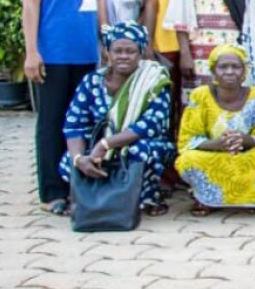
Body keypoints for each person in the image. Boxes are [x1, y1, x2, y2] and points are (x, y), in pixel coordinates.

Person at [19, 0, 107, 216]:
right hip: (52, 52)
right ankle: (51, 191)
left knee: (82, 122)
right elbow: (31, 2)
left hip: (86, 51)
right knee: (53, 122)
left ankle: (77, 185)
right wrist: (32, 51)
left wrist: (106, 39)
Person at [60, 22, 174, 216]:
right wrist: (80, 158)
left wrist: (106, 144)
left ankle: (147, 196)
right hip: (98, 144)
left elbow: (149, 125)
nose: (123, 56)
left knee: (140, 153)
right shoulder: (93, 81)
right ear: (107, 52)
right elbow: (74, 124)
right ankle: (91, 198)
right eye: (117, 51)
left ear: (141, 52)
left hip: (138, 143)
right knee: (68, 161)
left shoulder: (152, 81)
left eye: (130, 51)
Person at [175, 43, 255, 216]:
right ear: (214, 71)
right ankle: (204, 199)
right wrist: (218, 144)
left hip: (244, 154)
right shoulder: (200, 95)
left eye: (236, 67)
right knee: (188, 159)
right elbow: (187, 141)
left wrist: (245, 140)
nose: (229, 72)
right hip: (211, 153)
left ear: (244, 72)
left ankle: (250, 198)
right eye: (223, 67)